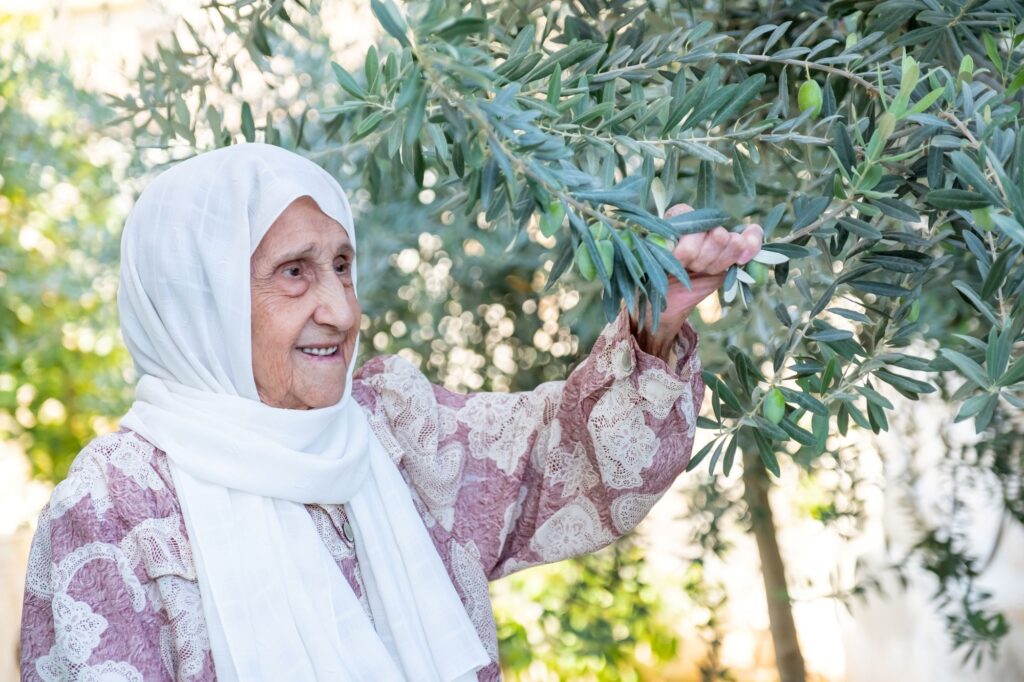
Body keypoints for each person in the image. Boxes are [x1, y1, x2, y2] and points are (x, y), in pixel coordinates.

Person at [19, 143, 763, 681]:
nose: (340, 311)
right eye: (293, 273)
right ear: (198, 299)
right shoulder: (117, 506)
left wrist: (654, 319)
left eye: (342, 265)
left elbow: (563, 464)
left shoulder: (389, 429)